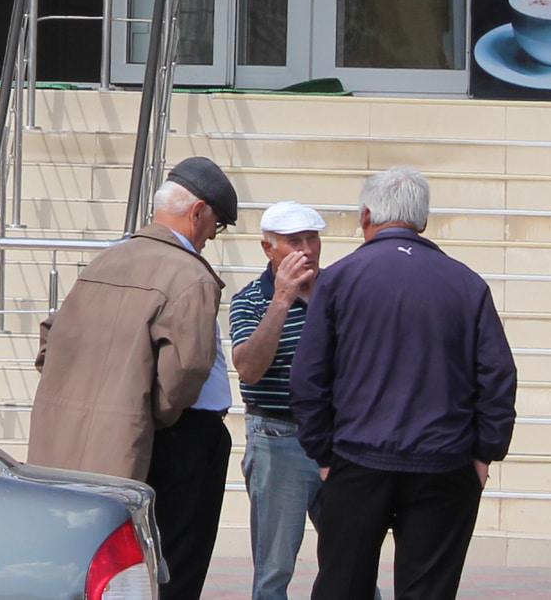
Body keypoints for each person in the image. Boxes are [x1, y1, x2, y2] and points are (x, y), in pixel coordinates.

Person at [293, 166, 517, 600]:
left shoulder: (339, 279)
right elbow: (497, 376)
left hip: (357, 458)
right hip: (444, 461)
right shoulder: (467, 284)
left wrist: (322, 451)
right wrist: (485, 452)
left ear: (366, 215)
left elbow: (308, 377)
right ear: (423, 221)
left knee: (342, 586)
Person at [31, 156, 238, 600]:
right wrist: (153, 414)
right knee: (175, 564)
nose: (211, 236)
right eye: (216, 225)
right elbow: (186, 369)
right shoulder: (189, 274)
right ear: (198, 212)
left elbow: (51, 339)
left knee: (117, 565)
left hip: (115, 433)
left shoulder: (108, 259)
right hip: (179, 438)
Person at [232, 200, 371, 600]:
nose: (307, 250)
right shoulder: (252, 300)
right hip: (279, 438)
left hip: (340, 439)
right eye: (295, 241)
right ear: (268, 248)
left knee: (353, 559)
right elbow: (249, 369)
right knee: (275, 568)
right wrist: (281, 301)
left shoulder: (341, 291)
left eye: (313, 239)